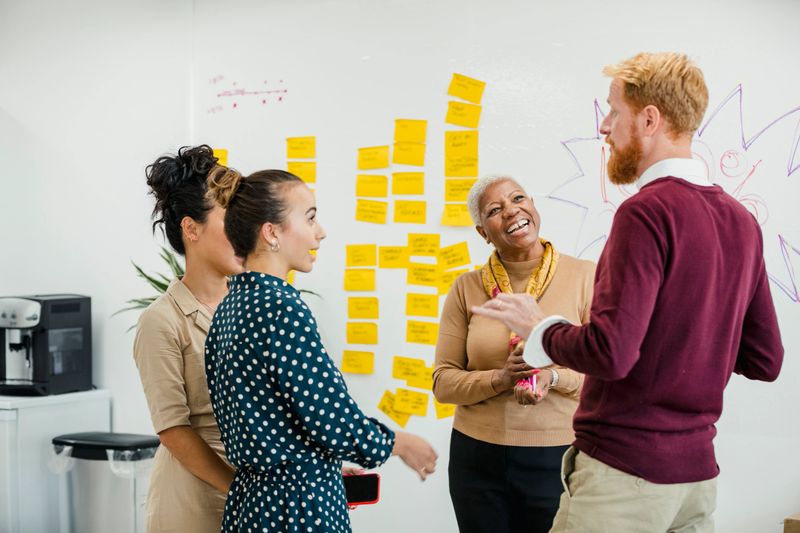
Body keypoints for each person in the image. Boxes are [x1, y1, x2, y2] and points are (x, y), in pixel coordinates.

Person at [473, 52, 784, 533]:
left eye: (613, 111)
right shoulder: (742, 223)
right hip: (696, 483)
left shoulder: (645, 213)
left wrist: (540, 329)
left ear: (649, 118)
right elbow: (766, 359)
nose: (604, 126)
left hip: (623, 480)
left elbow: (611, 353)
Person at [203, 168, 438, 532]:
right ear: (272, 232)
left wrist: (321, 460)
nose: (321, 231)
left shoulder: (231, 306)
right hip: (295, 507)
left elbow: (278, 416)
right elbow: (329, 415)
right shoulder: (279, 305)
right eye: (310, 217)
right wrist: (398, 442)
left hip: (251, 504)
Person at [433, 174, 595, 533]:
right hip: (476, 459)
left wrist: (551, 377)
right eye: (495, 209)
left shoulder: (587, 277)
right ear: (482, 232)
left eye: (518, 198)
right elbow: (443, 384)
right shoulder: (466, 288)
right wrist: (503, 378)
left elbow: (606, 375)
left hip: (558, 453)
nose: (511, 211)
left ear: (533, 206)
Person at [133, 145, 242, 532]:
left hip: (254, 499)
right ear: (191, 229)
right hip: (193, 504)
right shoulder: (161, 321)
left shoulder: (252, 307)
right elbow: (174, 431)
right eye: (231, 219)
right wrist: (243, 490)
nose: (244, 231)